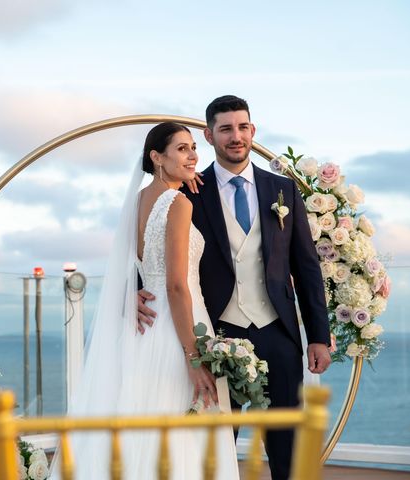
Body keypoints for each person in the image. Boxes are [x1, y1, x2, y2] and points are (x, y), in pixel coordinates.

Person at [138, 96, 332, 480]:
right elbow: (150, 245)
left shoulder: (283, 190)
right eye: (225, 129)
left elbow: (306, 266)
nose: (236, 136)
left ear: (253, 131)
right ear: (210, 135)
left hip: (278, 332)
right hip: (216, 334)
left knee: (287, 446)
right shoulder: (187, 190)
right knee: (217, 447)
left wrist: (318, 336)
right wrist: (135, 289)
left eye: (242, 127)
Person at [53, 122, 239, 479]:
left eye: (193, 148)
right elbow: (176, 285)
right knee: (183, 427)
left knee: (144, 418)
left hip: (146, 328)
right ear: (157, 157)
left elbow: (137, 267)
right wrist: (194, 356)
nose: (193, 156)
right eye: (182, 149)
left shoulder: (139, 201)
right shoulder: (179, 203)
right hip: (180, 328)